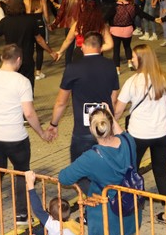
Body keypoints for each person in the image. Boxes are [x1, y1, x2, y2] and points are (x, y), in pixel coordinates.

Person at [59, 106, 139, 235]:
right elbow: (121, 133)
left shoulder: (92, 157)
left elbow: (64, 177)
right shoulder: (129, 143)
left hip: (108, 213)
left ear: (92, 130)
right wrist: (110, 114)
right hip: (129, 207)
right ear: (111, 124)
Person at [0, 43, 52, 230]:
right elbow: (29, 113)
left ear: (2, 58)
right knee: (21, 174)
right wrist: (42, 132)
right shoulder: (22, 81)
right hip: (16, 137)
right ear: (18, 60)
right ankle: (21, 215)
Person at [114, 44, 166, 225]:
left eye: (133, 57)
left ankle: (129, 209)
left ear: (141, 59)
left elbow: (118, 111)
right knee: (161, 171)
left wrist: (110, 128)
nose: (131, 59)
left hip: (138, 135)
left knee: (132, 170)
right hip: (163, 133)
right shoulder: (165, 78)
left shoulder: (132, 82)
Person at [47, 32, 119, 166]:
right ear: (100, 47)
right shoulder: (110, 66)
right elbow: (113, 98)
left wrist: (53, 124)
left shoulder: (73, 68)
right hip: (105, 129)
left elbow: (61, 102)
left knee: (80, 170)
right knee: (104, 169)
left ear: (84, 46)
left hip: (83, 131)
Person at [107, 0, 138, 75]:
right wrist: (155, 19)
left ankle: (117, 69)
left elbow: (106, 17)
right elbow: (143, 14)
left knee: (116, 50)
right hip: (128, 31)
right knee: (127, 46)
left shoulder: (115, 6)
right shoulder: (133, 6)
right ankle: (130, 62)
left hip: (116, 31)